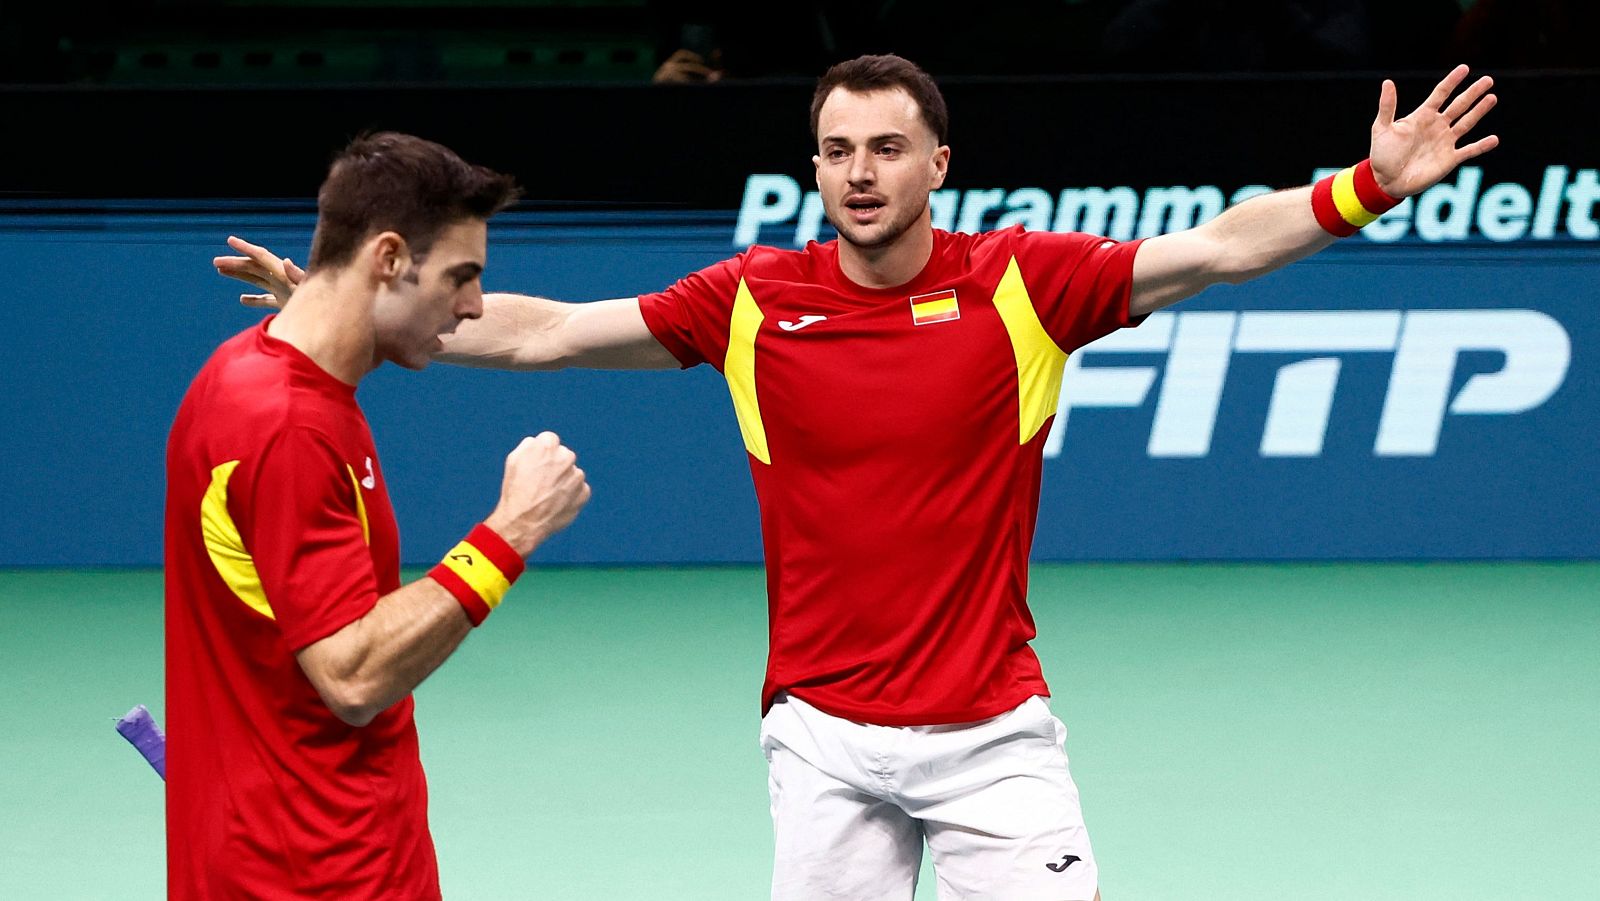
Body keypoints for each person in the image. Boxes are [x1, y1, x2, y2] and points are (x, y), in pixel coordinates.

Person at [219, 55, 1497, 900]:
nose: (860, 172)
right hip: (823, 739)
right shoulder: (752, 299)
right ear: (816, 167)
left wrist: (1364, 188)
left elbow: (1212, 249)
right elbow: (546, 330)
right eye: (837, 150)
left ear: (938, 164)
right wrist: (348, 301)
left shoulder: (1023, 285)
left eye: (888, 147)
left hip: (992, 734)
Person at [169, 131, 591, 900]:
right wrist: (512, 532)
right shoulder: (288, 427)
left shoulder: (244, 374)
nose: (473, 305)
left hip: (292, 845)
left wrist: (320, 302)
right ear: (389, 257)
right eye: (461, 277)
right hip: (317, 871)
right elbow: (353, 674)